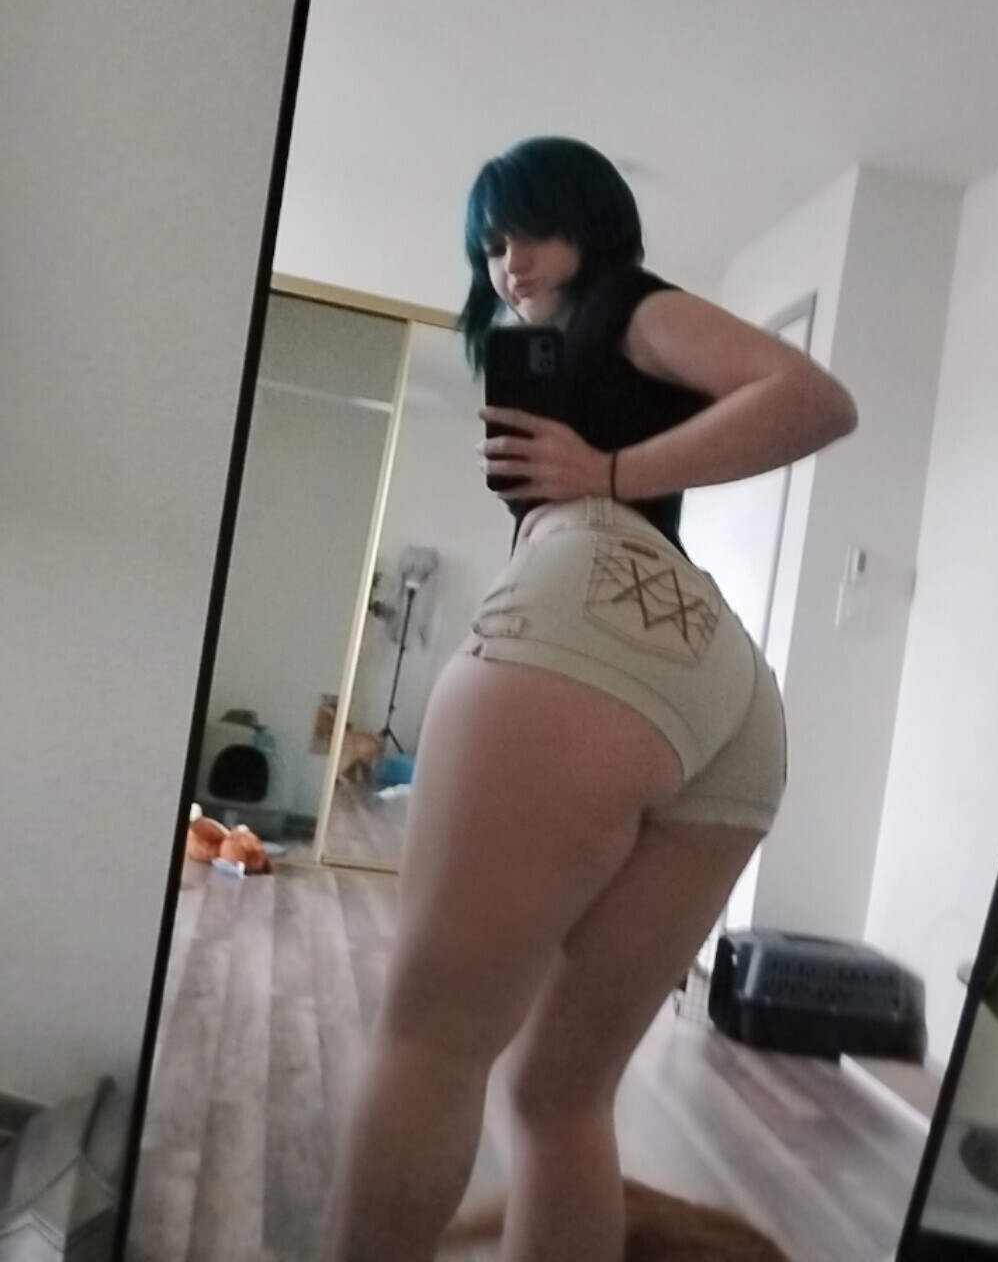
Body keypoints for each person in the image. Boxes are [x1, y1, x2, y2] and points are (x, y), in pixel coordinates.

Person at [326, 137, 858, 1262]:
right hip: (722, 682)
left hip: (597, 608)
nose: (506, 258)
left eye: (528, 228)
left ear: (590, 220)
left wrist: (608, 474)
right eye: (489, 243)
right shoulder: (577, 335)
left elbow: (812, 399)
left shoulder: (626, 305)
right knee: (560, 1091)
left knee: (431, 1039)